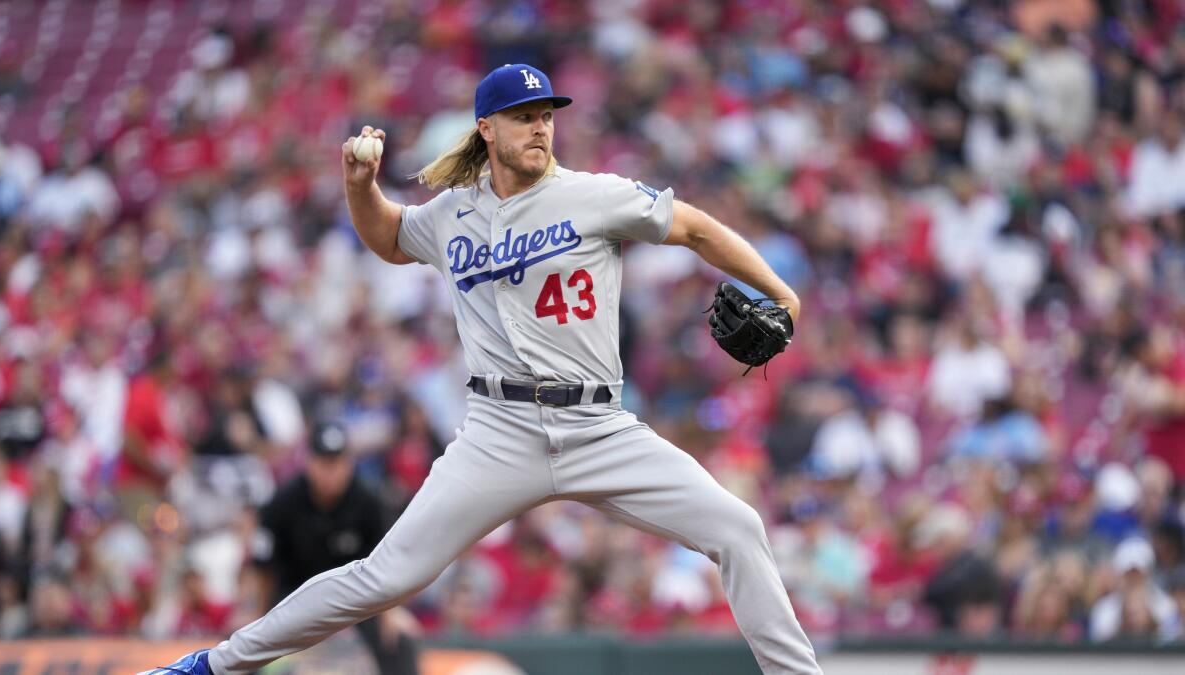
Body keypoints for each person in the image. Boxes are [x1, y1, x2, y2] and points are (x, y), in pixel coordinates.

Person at [147, 63, 819, 675]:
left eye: (547, 115)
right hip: (500, 430)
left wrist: (781, 292)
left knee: (738, 528)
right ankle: (212, 666)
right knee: (386, 576)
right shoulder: (452, 213)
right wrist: (360, 186)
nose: (540, 127)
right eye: (525, 116)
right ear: (486, 128)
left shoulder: (595, 195)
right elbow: (387, 236)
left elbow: (696, 228)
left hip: (598, 425)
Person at [251, 420, 418, 675]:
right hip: (294, 597)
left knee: (400, 640)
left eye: (337, 463)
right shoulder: (283, 501)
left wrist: (391, 614)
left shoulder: (369, 501)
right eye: (323, 463)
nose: (330, 472)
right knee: (247, 645)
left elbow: (390, 566)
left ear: (349, 464)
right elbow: (263, 568)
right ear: (309, 463)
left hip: (357, 600)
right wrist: (255, 615)